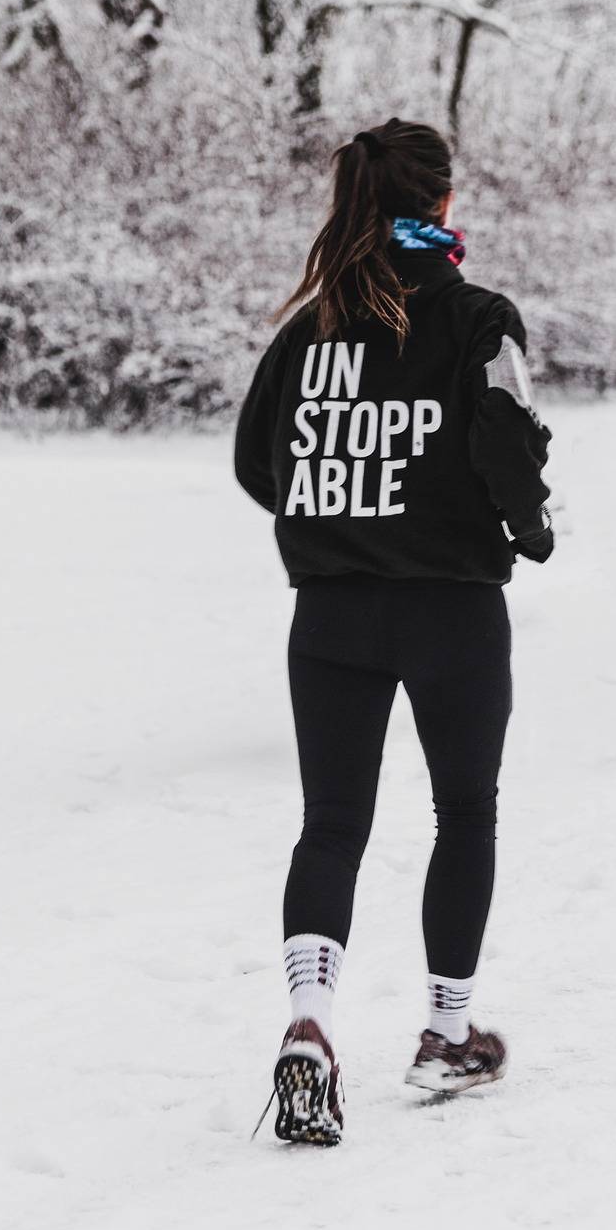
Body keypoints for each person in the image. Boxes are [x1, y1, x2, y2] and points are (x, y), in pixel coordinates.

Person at [234, 118, 555, 1146]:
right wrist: (528, 523)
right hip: (453, 609)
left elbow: (255, 463)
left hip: (329, 611)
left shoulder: (307, 332)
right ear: (443, 206)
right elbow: (510, 436)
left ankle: (310, 1026)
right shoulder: (478, 320)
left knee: (332, 824)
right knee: (465, 812)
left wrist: (338, 505)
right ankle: (446, 1036)